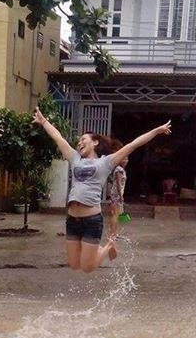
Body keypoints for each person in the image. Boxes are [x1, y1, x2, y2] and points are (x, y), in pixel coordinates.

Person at [33, 107, 171, 272]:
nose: (79, 143)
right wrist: (44, 122)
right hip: (72, 220)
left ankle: (108, 246)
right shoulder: (74, 158)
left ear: (95, 142)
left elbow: (133, 144)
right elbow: (58, 138)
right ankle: (101, 248)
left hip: (91, 220)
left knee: (87, 268)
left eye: (84, 139)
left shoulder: (105, 162)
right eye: (78, 142)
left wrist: (156, 131)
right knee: (74, 265)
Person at [102, 139, 127, 240]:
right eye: (124, 159)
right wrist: (121, 196)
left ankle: (114, 234)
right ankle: (112, 235)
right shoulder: (119, 170)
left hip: (116, 195)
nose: (126, 160)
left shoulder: (120, 169)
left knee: (116, 215)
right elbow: (118, 184)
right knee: (115, 215)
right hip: (116, 195)